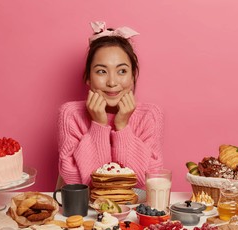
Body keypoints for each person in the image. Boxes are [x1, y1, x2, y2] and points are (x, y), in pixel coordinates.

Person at [57, 21, 164, 190]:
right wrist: (98, 126)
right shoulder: (71, 114)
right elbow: (75, 182)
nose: (112, 82)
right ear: (88, 77)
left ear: (133, 76)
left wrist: (122, 127)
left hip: (132, 212)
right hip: (87, 213)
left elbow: (146, 181)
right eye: (101, 71)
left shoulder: (149, 115)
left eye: (122, 71)